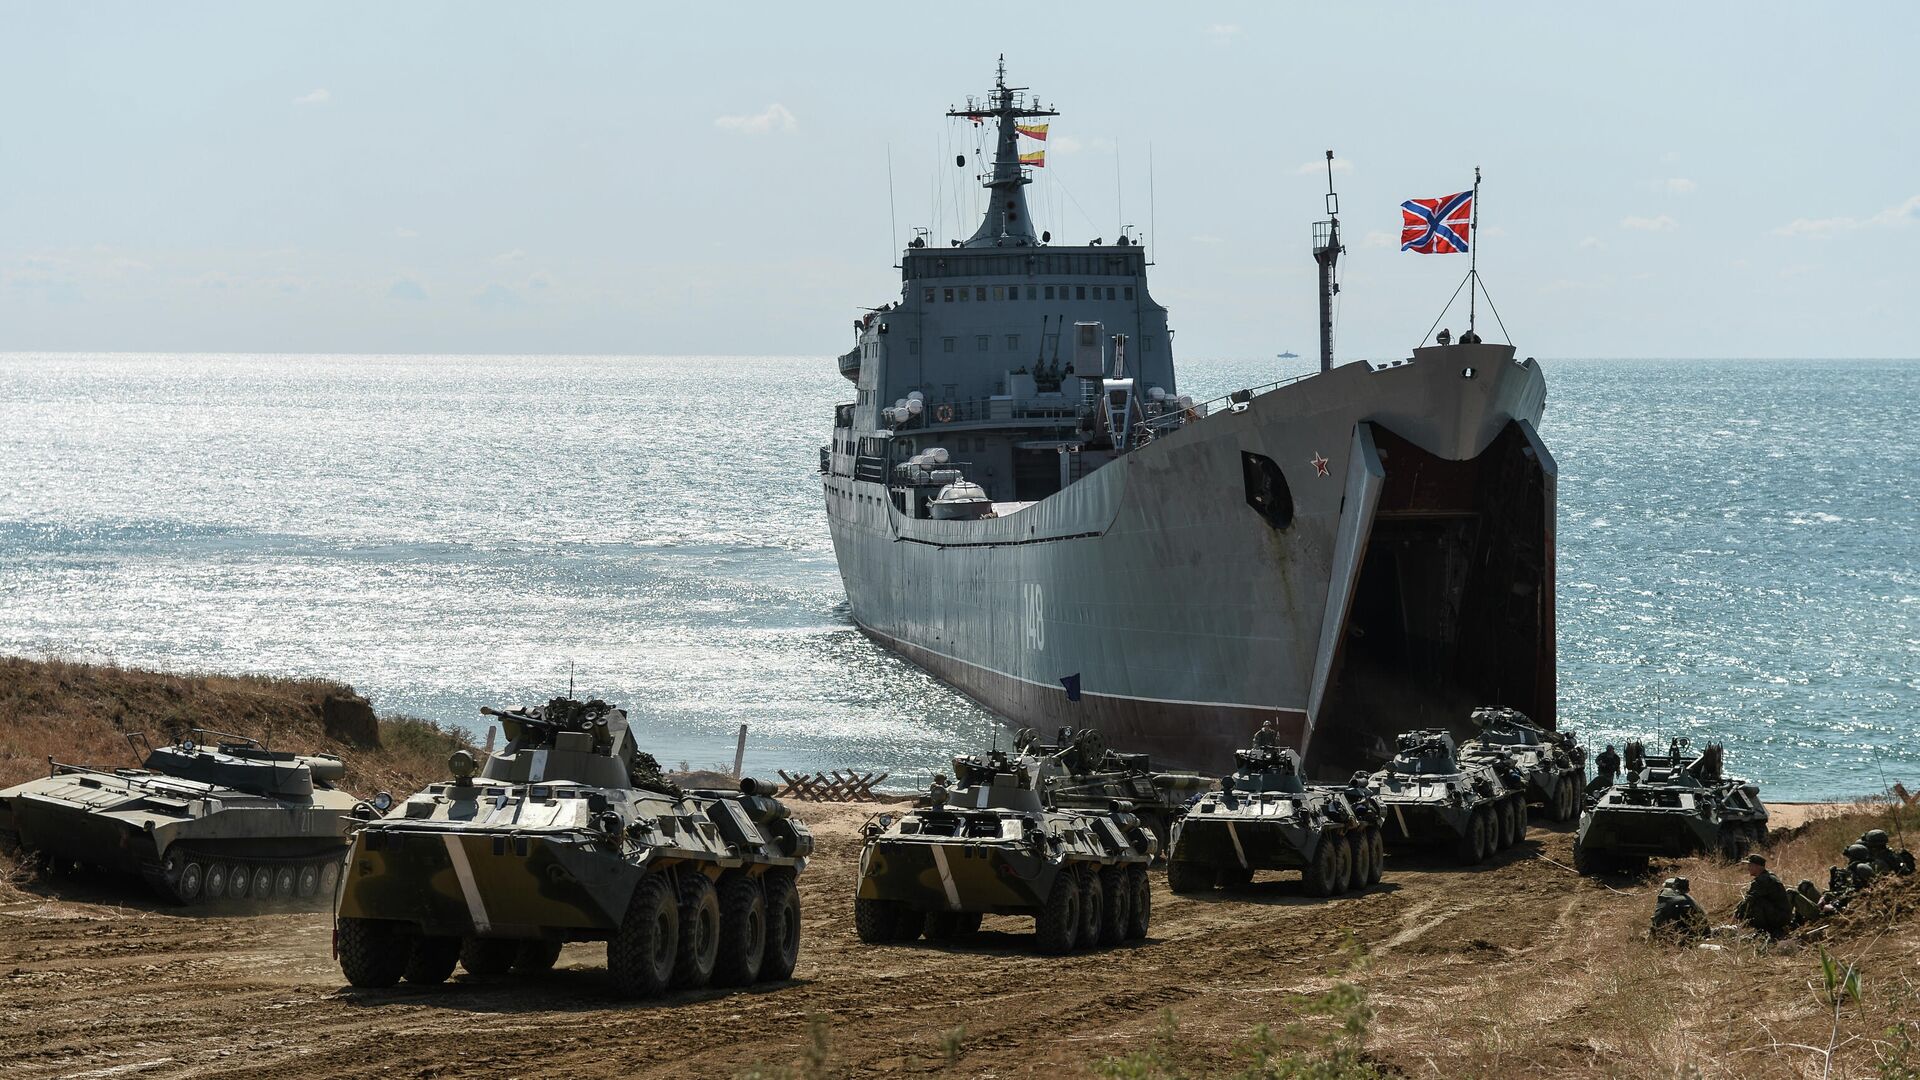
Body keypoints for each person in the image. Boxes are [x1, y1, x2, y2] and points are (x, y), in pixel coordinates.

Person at [1734, 853, 1793, 939]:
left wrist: (1737, 915)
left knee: (1756, 903)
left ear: (1758, 867)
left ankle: (1765, 931)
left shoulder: (1762, 881)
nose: (1748, 868)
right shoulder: (1767, 876)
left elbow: (1749, 900)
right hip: (1782, 916)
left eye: (1750, 865)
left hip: (1780, 918)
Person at [1649, 876, 1707, 943]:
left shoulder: (1668, 900)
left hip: (1681, 939)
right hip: (1698, 934)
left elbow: (1658, 921)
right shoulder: (1688, 899)